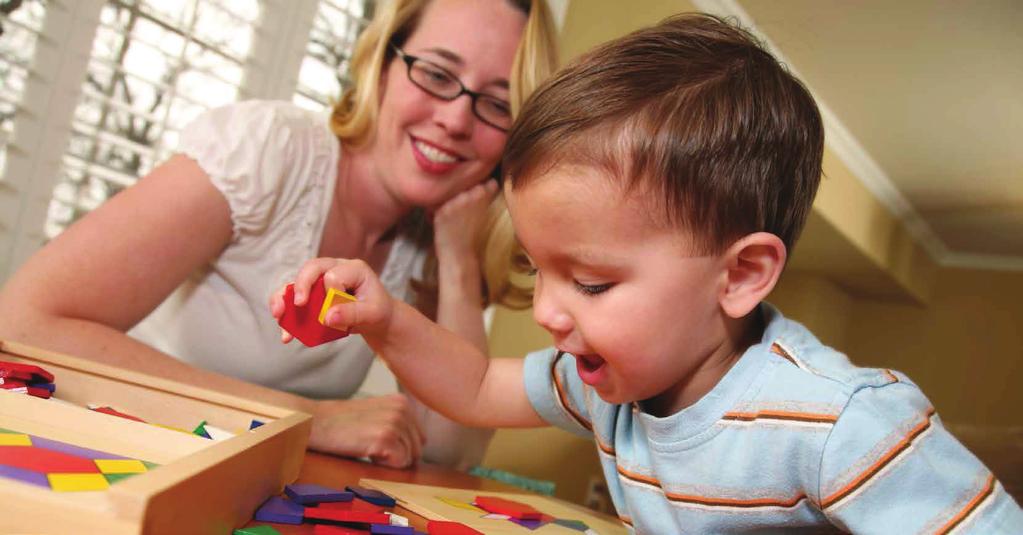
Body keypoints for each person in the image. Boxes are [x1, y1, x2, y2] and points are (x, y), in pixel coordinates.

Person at [279, 13, 1023, 533]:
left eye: (592, 283)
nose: (546, 310)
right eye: (537, 269)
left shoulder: (841, 423)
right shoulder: (608, 382)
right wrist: (382, 318)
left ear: (740, 276)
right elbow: (474, 388)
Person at [0, 0, 557, 470]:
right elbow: (25, 323)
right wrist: (303, 417)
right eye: (435, 74)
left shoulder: (434, 226)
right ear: (381, 64)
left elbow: (448, 449)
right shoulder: (267, 150)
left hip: (227, 481)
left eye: (496, 105)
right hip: (93, 456)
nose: (456, 122)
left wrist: (457, 261)